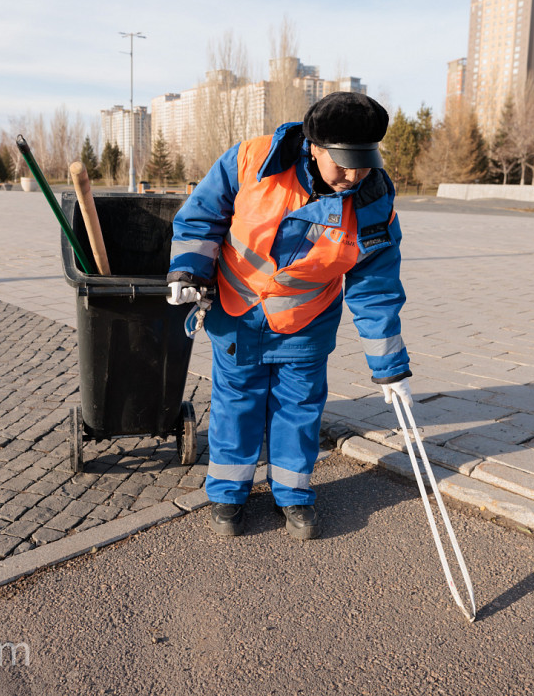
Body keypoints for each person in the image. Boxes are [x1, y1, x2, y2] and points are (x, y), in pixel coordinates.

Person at [166, 92, 411, 540]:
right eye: (342, 163)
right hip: (238, 315)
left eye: (363, 161)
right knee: (235, 406)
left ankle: (293, 494)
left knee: (298, 411)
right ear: (314, 146)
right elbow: (201, 217)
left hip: (305, 325)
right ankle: (227, 493)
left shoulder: (373, 204)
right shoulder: (251, 160)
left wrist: (390, 370)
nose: (353, 175)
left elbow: (375, 290)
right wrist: (188, 270)